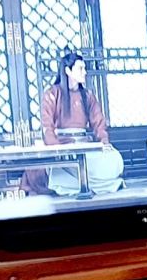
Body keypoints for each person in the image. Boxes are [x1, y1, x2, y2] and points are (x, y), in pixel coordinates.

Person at [26, 51, 117, 196]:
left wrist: (104, 142)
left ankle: (82, 182)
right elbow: (47, 126)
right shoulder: (52, 94)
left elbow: (99, 123)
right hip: (62, 145)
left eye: (84, 68)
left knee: (115, 159)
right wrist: (56, 149)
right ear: (68, 71)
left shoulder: (88, 96)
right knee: (57, 167)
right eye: (80, 68)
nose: (85, 72)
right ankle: (82, 183)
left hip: (84, 146)